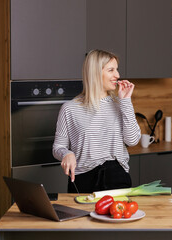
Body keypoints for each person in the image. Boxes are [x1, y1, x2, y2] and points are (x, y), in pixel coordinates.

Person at [53, 49, 141, 193]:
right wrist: (66, 153)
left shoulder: (121, 104)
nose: (117, 75)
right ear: (94, 72)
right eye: (111, 70)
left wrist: (126, 101)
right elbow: (58, 147)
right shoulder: (69, 109)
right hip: (82, 180)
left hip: (117, 178)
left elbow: (132, 141)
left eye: (117, 70)